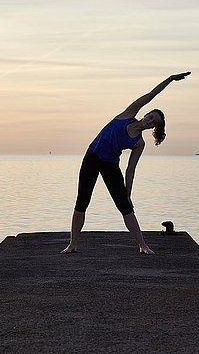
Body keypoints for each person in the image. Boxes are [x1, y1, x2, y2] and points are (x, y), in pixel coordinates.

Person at [61, 72, 191, 255]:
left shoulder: (139, 143)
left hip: (110, 164)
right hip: (92, 156)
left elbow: (130, 171)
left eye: (154, 122)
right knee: (82, 200)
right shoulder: (128, 114)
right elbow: (150, 95)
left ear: (153, 127)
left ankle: (142, 245)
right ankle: (72, 244)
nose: (150, 120)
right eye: (151, 116)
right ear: (146, 114)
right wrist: (170, 79)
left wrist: (128, 194)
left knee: (125, 206)